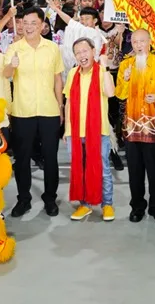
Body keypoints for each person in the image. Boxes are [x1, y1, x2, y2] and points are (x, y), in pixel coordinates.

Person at [3, 7, 65, 218]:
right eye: (25, 22)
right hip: (22, 111)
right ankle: (24, 199)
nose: (28, 27)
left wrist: (60, 106)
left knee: (50, 158)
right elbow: (6, 74)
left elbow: (58, 79)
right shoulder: (14, 48)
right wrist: (12, 65)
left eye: (33, 23)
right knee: (22, 159)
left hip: (49, 110)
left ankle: (50, 198)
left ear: (42, 26)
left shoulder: (52, 48)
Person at [115, 29, 155, 223]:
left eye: (142, 41)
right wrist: (125, 79)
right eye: (135, 41)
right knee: (135, 170)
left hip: (153, 125)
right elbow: (120, 95)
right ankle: (137, 206)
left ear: (149, 42)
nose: (138, 45)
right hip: (132, 126)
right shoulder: (125, 65)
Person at [63, 39, 116, 222]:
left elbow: (110, 93)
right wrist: (66, 129)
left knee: (102, 169)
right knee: (79, 168)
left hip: (98, 131)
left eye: (85, 51)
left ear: (93, 51)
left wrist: (106, 67)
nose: (82, 55)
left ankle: (107, 204)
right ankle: (84, 205)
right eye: (78, 52)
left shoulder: (101, 71)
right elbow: (68, 102)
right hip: (76, 132)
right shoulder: (72, 74)